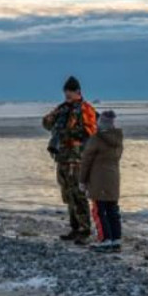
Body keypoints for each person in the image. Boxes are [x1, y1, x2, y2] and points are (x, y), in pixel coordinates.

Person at [42, 76, 98, 242]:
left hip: (77, 157)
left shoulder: (86, 109)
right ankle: (75, 228)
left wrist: (69, 133)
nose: (67, 95)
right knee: (67, 193)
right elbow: (47, 125)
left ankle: (85, 229)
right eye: (65, 92)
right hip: (62, 157)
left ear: (78, 92)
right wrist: (50, 119)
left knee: (78, 193)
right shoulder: (62, 108)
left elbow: (90, 131)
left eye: (70, 92)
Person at [79, 109, 123, 252]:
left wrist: (82, 180)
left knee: (98, 211)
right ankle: (116, 239)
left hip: (98, 180)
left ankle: (104, 240)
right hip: (113, 179)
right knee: (112, 210)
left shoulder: (96, 139)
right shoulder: (118, 139)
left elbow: (86, 161)